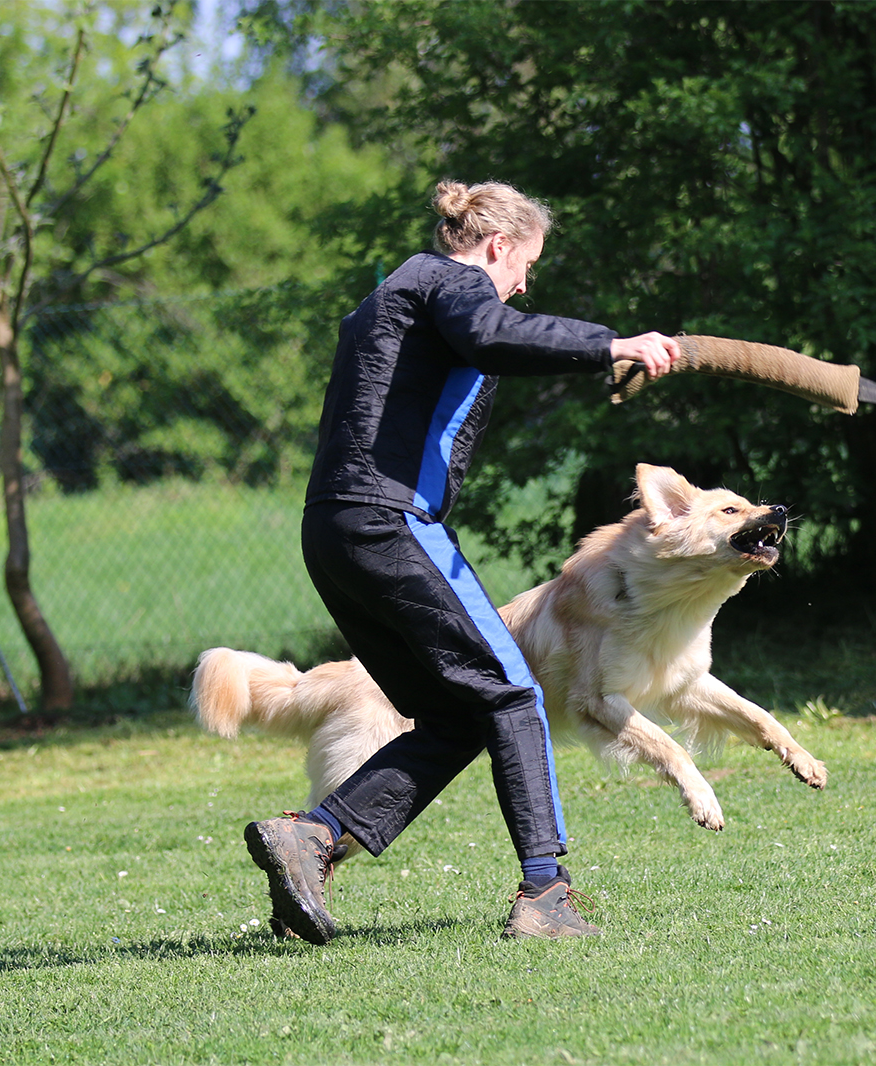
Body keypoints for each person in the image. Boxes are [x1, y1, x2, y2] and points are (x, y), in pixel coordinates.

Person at [243, 179, 679, 942]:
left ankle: (312, 839)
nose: (523, 285)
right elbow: (491, 333)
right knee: (513, 693)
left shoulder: (392, 296)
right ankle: (546, 892)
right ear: (498, 246)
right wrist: (611, 344)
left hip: (334, 529)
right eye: (525, 266)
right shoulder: (450, 282)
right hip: (390, 521)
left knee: (455, 715)